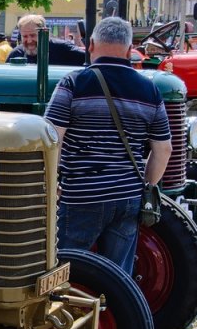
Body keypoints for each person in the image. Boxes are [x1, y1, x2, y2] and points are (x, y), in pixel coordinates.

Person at [44, 17, 172, 275]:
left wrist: (53, 182)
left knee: (66, 271)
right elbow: (163, 149)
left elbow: (50, 139)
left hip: (81, 194)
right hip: (128, 195)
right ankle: (114, 313)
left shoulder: (73, 83)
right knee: (118, 276)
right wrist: (145, 185)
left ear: (90, 45)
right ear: (128, 50)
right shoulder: (150, 90)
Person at [7, 14, 86, 66]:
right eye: (25, 36)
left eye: (33, 35)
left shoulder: (63, 49)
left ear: (45, 32)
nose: (29, 40)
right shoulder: (16, 54)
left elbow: (91, 61)